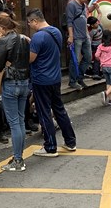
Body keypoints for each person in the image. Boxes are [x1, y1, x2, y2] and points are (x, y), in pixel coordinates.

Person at [26, 8, 77, 159]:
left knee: (44, 112)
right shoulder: (56, 32)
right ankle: (70, 141)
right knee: (59, 109)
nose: (29, 25)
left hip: (41, 79)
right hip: (55, 78)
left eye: (29, 22)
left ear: (35, 21)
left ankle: (50, 146)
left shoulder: (37, 37)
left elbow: (31, 58)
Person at [0, 12, 30, 171]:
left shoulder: (3, 41)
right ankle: (19, 156)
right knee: (20, 121)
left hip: (10, 82)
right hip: (24, 81)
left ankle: (18, 160)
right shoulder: (24, 39)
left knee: (14, 123)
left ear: (2, 27)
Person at [66, 0, 92, 90]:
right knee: (75, 59)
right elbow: (69, 21)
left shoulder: (84, 5)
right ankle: (73, 81)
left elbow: (85, 19)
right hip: (76, 37)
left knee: (88, 57)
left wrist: (87, 35)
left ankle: (80, 77)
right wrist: (71, 36)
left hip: (85, 36)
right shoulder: (71, 5)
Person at [95, 29, 111, 106]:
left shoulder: (100, 46)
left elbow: (96, 56)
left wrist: (101, 59)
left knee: (108, 82)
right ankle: (105, 93)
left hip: (104, 66)